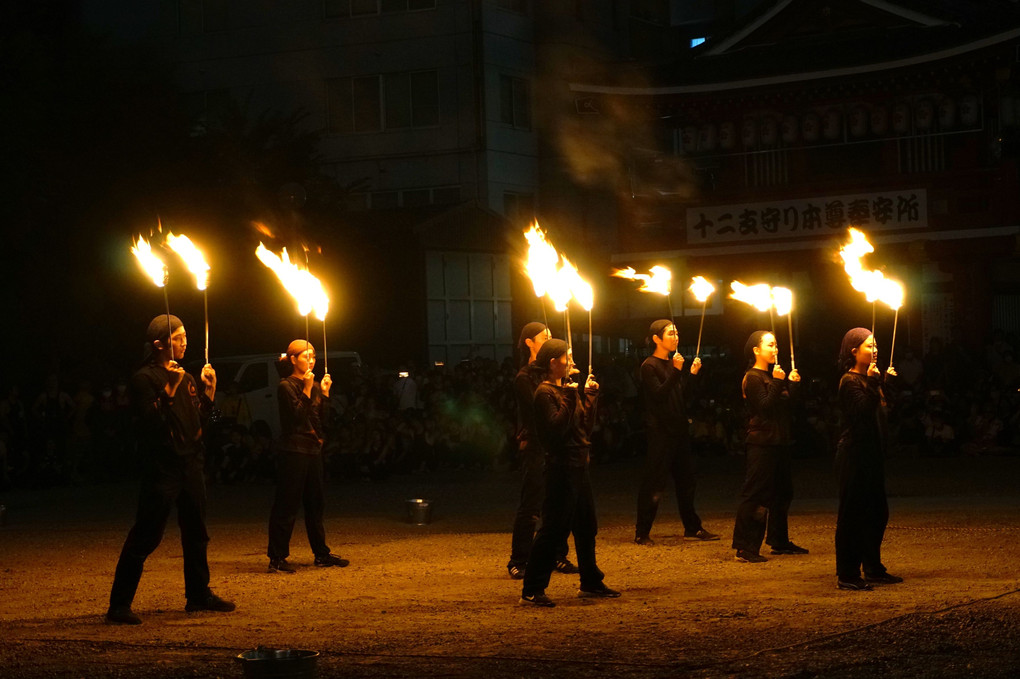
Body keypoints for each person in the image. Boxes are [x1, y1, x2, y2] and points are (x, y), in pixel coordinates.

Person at [107, 315, 234, 625]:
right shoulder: (144, 379)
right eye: (178, 337)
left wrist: (209, 393)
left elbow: (198, 423)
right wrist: (170, 389)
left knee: (196, 533)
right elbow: (150, 423)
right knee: (147, 535)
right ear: (159, 344)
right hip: (162, 467)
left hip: (191, 464)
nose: (184, 342)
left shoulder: (188, 378)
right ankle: (119, 605)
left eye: (185, 336)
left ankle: (198, 595)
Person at [520, 339, 619, 607]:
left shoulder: (565, 391)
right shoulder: (544, 393)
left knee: (586, 525)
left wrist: (590, 397)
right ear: (554, 362)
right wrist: (569, 397)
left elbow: (583, 428)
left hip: (579, 465)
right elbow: (555, 430)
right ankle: (532, 589)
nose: (572, 362)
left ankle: (590, 582)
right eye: (568, 357)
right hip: (561, 468)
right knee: (553, 528)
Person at [267, 340, 348, 573]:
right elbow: (296, 419)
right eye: (306, 356)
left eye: (313, 356)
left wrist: (324, 393)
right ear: (293, 359)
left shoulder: (310, 385)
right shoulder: (286, 386)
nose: (311, 360)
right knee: (287, 503)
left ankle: (321, 554)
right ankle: (277, 558)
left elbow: (322, 420)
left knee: (315, 503)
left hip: (312, 451)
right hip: (293, 451)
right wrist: (306, 389)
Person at [635, 320, 717, 545]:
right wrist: (676, 371)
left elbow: (682, 397)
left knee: (687, 481)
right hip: (660, 432)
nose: (676, 337)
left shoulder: (674, 364)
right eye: (670, 333)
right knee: (654, 483)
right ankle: (642, 532)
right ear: (656, 338)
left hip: (679, 430)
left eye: (677, 333)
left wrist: (692, 375)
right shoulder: (648, 366)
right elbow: (659, 395)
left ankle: (693, 527)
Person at [507, 322, 577, 580]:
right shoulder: (525, 377)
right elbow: (540, 414)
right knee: (532, 504)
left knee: (558, 503)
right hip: (536, 445)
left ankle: (557, 554)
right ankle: (519, 559)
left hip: (557, 445)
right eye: (544, 336)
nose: (550, 339)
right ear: (529, 342)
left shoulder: (555, 373)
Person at [834, 328, 903, 591]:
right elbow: (862, 411)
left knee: (876, 513)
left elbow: (885, 411)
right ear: (854, 351)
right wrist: (875, 383)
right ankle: (848, 574)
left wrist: (885, 383)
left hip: (871, 453)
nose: (875, 350)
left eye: (875, 345)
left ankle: (873, 567)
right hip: (853, 454)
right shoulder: (849, 381)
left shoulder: (871, 379)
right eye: (869, 346)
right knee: (852, 515)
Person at [731, 331, 807, 564]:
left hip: (779, 441)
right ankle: (745, 547)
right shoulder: (753, 377)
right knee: (756, 493)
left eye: (777, 344)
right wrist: (777, 381)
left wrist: (792, 386)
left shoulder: (772, 375)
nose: (775, 349)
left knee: (783, 492)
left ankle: (779, 540)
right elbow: (764, 406)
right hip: (761, 443)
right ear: (756, 350)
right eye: (770, 345)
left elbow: (784, 407)